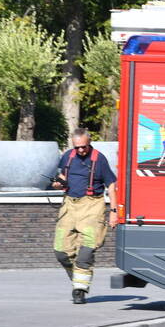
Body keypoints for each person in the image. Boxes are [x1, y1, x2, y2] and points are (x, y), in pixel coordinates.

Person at [51, 128, 118, 304]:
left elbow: (111, 186)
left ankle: (79, 290)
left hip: (92, 206)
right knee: (61, 251)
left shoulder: (99, 159)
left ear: (89, 143)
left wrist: (114, 212)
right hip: (69, 206)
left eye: (84, 147)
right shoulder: (67, 156)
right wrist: (58, 183)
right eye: (77, 147)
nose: (81, 150)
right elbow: (62, 175)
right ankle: (78, 278)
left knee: (86, 251)